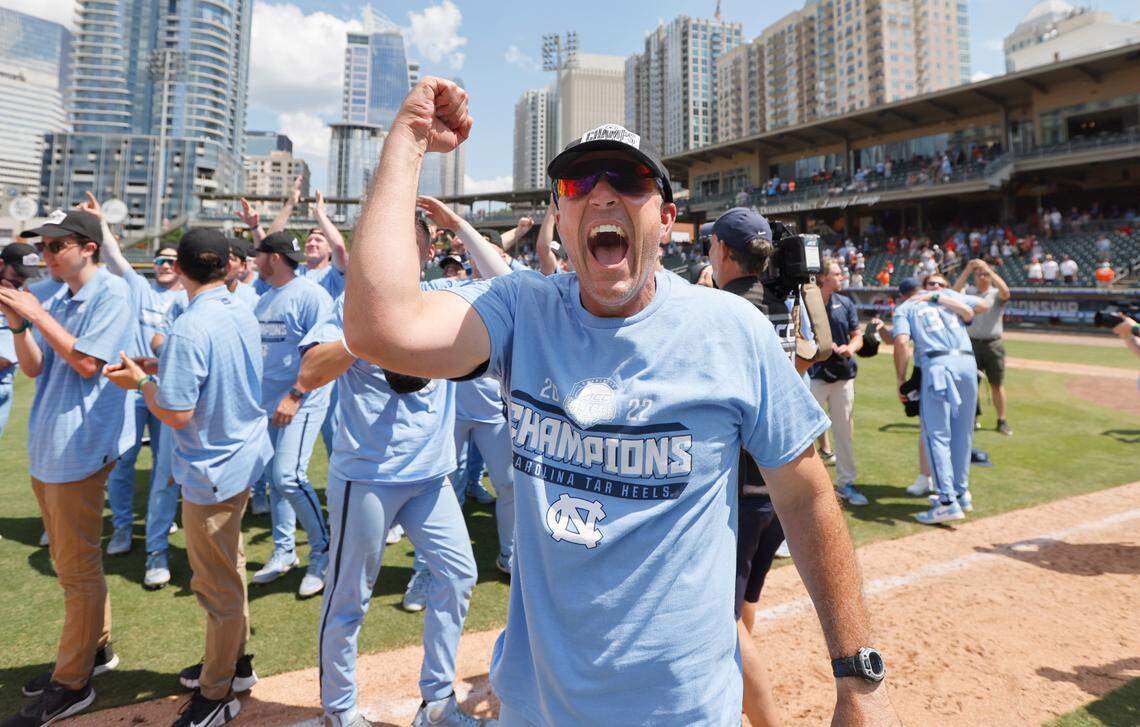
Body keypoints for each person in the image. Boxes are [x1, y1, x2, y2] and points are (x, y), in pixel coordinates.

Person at [343, 79, 898, 726]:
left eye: (629, 180)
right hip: (536, 709)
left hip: (684, 713)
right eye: (578, 183)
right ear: (562, 213)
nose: (602, 192)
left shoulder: (730, 330)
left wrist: (858, 679)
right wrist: (409, 140)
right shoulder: (524, 309)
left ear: (665, 220)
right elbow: (378, 326)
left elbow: (805, 496)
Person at [299, 212, 508, 727]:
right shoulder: (350, 305)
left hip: (432, 476)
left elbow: (507, 282)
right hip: (367, 477)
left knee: (458, 577)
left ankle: (436, 702)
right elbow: (307, 373)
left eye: (407, 243)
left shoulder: (442, 294)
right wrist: (363, 337)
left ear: (426, 248)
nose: (393, 254)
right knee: (349, 599)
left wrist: (458, 222)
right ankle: (339, 711)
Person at [103, 229, 271, 727]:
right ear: (227, 265)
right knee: (230, 567)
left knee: (216, 585)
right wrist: (161, 369)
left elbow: (175, 412)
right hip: (241, 455)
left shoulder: (190, 324)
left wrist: (142, 381)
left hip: (214, 467)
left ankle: (218, 692)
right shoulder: (241, 305)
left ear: (181, 269)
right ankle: (234, 663)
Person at [0, 209, 135, 725]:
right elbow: (34, 366)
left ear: (88, 247)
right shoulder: (55, 296)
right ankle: (94, 650)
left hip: (79, 448)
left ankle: (72, 682)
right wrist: (18, 323)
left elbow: (86, 363)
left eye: (56, 245)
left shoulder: (111, 293)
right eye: (44, 247)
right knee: (71, 563)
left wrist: (34, 314)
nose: (46, 255)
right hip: (52, 445)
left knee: (77, 570)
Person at [705, 206, 815, 727]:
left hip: (738, 495)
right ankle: (737, 696)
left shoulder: (717, 310)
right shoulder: (783, 302)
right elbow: (807, 355)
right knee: (745, 605)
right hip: (777, 490)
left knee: (722, 625)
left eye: (712, 246)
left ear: (724, 252)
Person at [79, 193, 185, 558]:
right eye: (160, 260)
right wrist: (101, 223)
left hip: (167, 388)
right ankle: (123, 527)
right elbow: (113, 256)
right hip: (129, 388)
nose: (165, 265)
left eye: (172, 260)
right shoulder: (139, 287)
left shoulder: (188, 297)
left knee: (164, 463)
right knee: (123, 460)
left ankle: (161, 527)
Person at [251, 231, 334, 598]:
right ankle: (284, 551)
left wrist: (296, 394)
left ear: (274, 258)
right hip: (269, 402)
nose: (254, 259)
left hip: (302, 398)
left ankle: (323, 552)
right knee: (274, 481)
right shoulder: (264, 298)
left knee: (288, 476)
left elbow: (324, 353)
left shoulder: (310, 295)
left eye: (259, 254)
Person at [892, 272, 989, 524]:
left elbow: (902, 343)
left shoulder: (906, 307)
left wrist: (901, 380)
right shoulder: (946, 296)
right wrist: (941, 295)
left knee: (936, 435)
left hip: (938, 364)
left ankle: (946, 500)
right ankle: (960, 492)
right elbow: (979, 308)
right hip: (967, 363)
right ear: (923, 287)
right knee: (963, 432)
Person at [809, 260, 867, 506]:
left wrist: (849, 348)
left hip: (843, 375)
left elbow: (858, 336)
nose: (842, 276)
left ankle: (846, 483)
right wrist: (820, 346)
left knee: (843, 434)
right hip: (813, 375)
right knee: (802, 433)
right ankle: (806, 487)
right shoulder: (807, 304)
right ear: (822, 277)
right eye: (836, 273)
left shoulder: (845, 302)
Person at [953, 259, 1012, 435]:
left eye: (984, 274)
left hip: (993, 344)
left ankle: (1001, 420)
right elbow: (954, 292)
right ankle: (972, 419)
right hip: (971, 344)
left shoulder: (995, 294)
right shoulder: (970, 292)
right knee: (970, 385)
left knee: (997, 384)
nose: (982, 277)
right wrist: (967, 269)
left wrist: (989, 270)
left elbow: (1006, 292)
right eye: (978, 274)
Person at [0, 242, 38, 442]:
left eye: (24, 277)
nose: (20, 282)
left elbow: (5, 358)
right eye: (16, 276)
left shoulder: (22, 301)